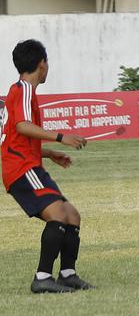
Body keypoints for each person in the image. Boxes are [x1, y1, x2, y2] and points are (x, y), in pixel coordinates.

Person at [3, 40, 90, 293]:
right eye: (47, 63)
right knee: (58, 216)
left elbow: (16, 137)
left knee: (72, 215)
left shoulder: (18, 92)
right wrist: (61, 137)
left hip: (29, 166)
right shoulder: (24, 90)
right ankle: (42, 278)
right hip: (21, 170)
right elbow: (22, 126)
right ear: (42, 64)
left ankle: (68, 274)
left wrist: (50, 153)